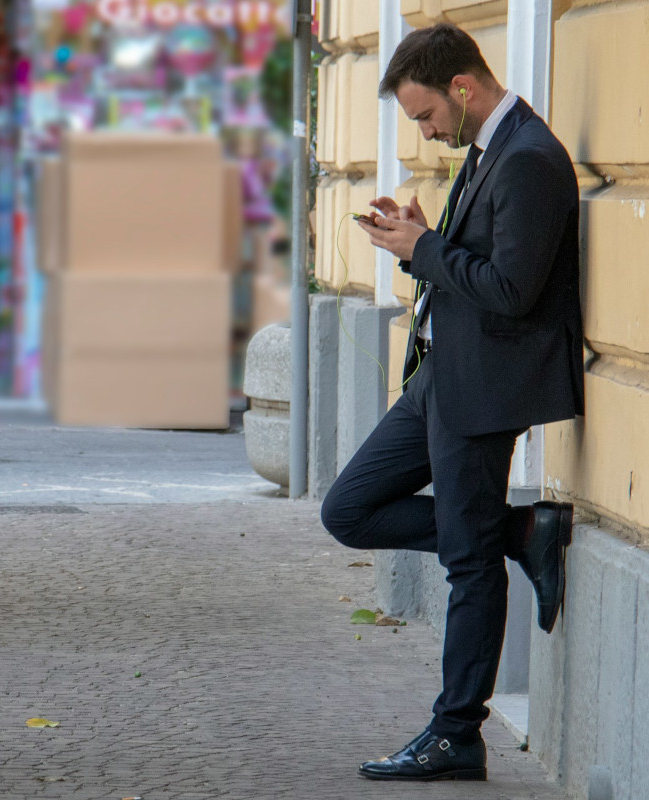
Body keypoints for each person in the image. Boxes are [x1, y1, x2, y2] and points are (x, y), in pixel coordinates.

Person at [320, 23, 584, 782]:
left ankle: (456, 734)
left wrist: (423, 251)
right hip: (443, 375)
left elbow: (512, 290)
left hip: (485, 387)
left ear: (462, 89)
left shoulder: (531, 159)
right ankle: (523, 529)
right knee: (349, 509)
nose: (427, 132)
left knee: (469, 564)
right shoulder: (489, 149)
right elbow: (482, 265)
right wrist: (419, 237)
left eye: (427, 115)